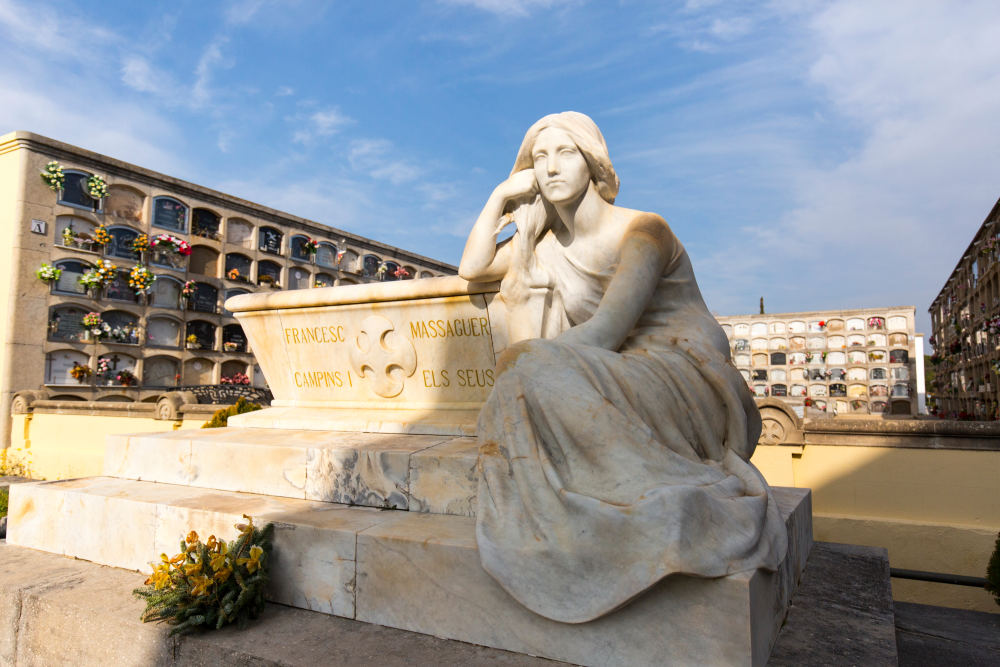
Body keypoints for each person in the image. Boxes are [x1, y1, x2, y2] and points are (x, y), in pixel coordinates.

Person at [459, 112, 787, 624]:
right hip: (616, 368)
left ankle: (656, 499)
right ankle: (602, 505)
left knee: (527, 375)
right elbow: (472, 268)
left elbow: (603, 334)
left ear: (593, 162)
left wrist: (523, 361)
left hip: (684, 375)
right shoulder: (542, 246)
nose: (551, 168)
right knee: (526, 378)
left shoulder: (643, 230)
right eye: (539, 157)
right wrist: (500, 197)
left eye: (565, 152)